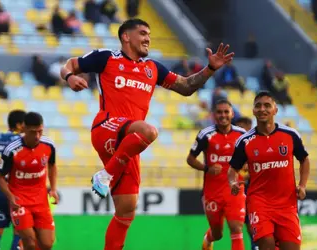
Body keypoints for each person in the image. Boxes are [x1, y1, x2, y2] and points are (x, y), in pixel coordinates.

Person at [60, 18, 234, 250]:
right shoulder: (107, 58)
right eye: (142, 33)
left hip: (131, 143)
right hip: (107, 126)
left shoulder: (153, 68)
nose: (147, 38)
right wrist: (69, 77)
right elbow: (69, 64)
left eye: (149, 34)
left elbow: (186, 86)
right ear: (126, 37)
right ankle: (104, 176)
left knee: (126, 211)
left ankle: (106, 179)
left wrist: (210, 68)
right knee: (150, 130)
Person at [228, 91, 310, 250]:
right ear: (253, 111)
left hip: (287, 204)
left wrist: (303, 185)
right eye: (258, 106)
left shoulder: (290, 135)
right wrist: (232, 182)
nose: (262, 109)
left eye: (267, 105)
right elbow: (232, 169)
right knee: (266, 245)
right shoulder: (244, 141)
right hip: (259, 203)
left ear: (275, 110)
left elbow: (304, 159)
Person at [187, 99, 246, 250]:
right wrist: (207, 168)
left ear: (232, 114)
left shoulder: (242, 135)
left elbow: (251, 158)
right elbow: (190, 159)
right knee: (217, 233)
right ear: (214, 115)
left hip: (234, 189)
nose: (223, 115)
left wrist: (247, 168)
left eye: (226, 112)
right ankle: (208, 238)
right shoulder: (205, 135)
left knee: (236, 227)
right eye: (219, 112)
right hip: (212, 192)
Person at [0, 112, 59, 250]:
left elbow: (52, 165)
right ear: (24, 129)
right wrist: (10, 196)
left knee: (47, 244)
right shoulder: (11, 150)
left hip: (41, 201)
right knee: (30, 242)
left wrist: (53, 189)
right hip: (20, 201)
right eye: (33, 132)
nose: (37, 136)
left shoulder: (48, 145)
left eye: (40, 132)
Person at [0, 109, 26, 250]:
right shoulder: (22, 141)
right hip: (17, 191)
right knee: (19, 230)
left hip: (0, 191)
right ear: (19, 124)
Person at [234, 116, 258, 250]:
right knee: (240, 226)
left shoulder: (255, 144)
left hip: (253, 190)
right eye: (239, 127)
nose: (241, 131)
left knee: (253, 225)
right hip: (238, 191)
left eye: (244, 127)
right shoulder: (235, 146)